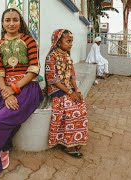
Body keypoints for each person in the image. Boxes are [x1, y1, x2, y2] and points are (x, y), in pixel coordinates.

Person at [0, 8, 43, 179]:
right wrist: (5, 91)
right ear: (3, 23)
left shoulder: (29, 41)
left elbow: (34, 70)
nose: (11, 23)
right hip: (4, 87)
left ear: (20, 22)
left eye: (15, 20)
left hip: (28, 86)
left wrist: (13, 89)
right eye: (7, 20)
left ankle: (0, 151)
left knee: (1, 119)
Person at [45, 29, 88, 158]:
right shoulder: (51, 56)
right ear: (58, 42)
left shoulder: (67, 56)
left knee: (81, 106)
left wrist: (76, 91)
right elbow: (53, 79)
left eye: (71, 41)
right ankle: (68, 144)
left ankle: (73, 139)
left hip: (68, 88)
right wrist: (70, 93)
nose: (71, 44)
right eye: (68, 41)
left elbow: (72, 76)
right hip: (56, 90)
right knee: (71, 108)